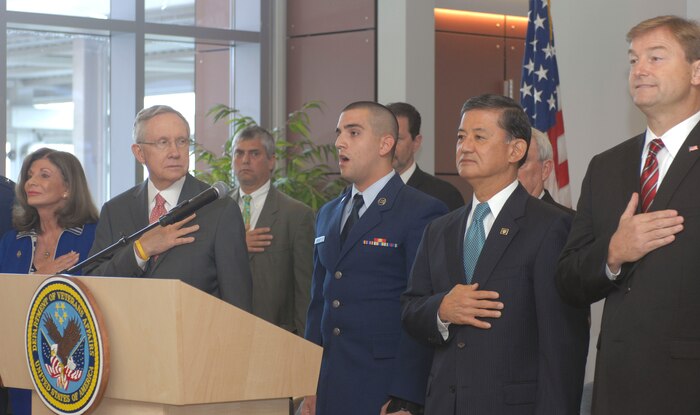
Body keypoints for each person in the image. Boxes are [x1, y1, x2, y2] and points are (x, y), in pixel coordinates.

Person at [401, 94, 589, 414]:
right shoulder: (440, 229)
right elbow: (410, 310)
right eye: (461, 137)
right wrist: (442, 309)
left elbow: (562, 347)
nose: (465, 146)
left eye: (479, 137)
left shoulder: (551, 226)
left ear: (516, 150)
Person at [557, 15, 700, 414]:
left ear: (696, 71)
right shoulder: (606, 167)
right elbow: (568, 280)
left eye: (656, 58)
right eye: (634, 60)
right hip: (618, 385)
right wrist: (613, 254)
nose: (639, 70)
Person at [302, 101, 448, 415]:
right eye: (339, 132)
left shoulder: (421, 211)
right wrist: (307, 381)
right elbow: (319, 303)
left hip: (382, 387)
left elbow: (422, 308)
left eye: (354, 133)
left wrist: (406, 395)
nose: (340, 142)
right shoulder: (328, 213)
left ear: (386, 144)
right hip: (328, 383)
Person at [85, 105, 252, 311]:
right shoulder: (116, 209)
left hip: (196, 339)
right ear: (139, 153)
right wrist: (140, 250)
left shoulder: (219, 209)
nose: (175, 152)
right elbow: (93, 283)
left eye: (181, 142)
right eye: (163, 143)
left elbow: (238, 303)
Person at [0, 147, 99, 415]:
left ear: (67, 187)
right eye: (29, 175)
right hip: (21, 368)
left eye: (44, 175)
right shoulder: (12, 241)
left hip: (80, 374)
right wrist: (37, 278)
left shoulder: (93, 236)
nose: (31, 182)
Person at [231, 125, 314, 335]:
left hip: (276, 333)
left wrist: (306, 345)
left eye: (254, 153)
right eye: (239, 153)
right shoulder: (215, 209)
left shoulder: (296, 214)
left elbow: (305, 289)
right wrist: (237, 246)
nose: (245, 160)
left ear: (271, 161)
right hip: (225, 328)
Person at [387, 102, 465, 211]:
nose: (389, 146)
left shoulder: (443, 195)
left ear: (416, 142)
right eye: (384, 138)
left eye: (398, 139)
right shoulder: (363, 191)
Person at [517, 127, 575, 214]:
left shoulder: (567, 222)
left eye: (521, 163)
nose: (510, 172)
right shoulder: (495, 217)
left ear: (545, 169)